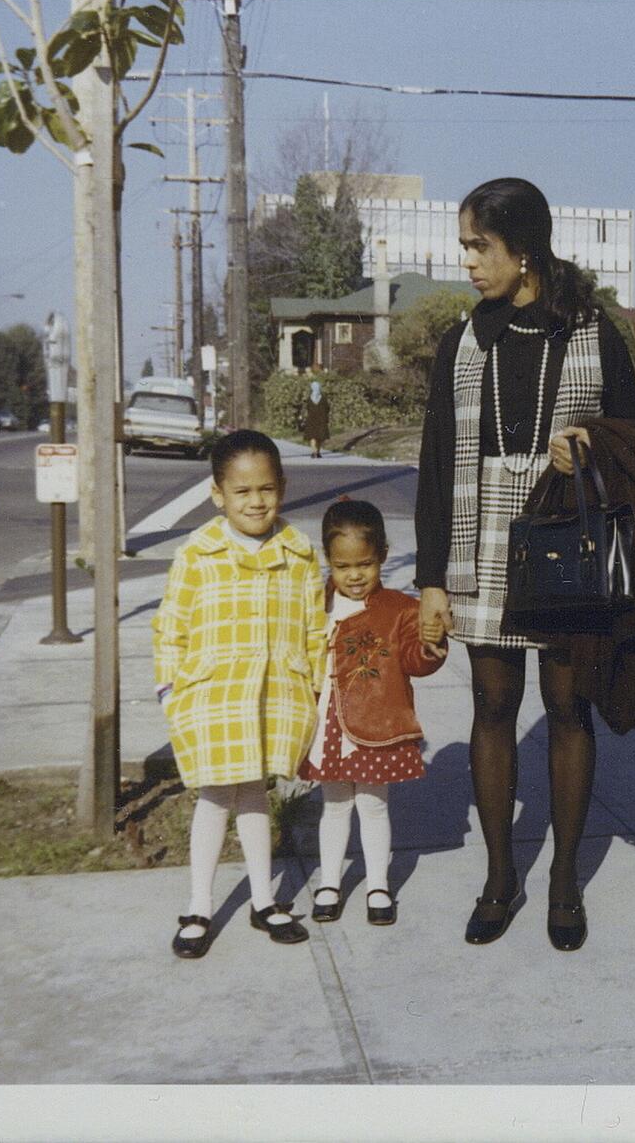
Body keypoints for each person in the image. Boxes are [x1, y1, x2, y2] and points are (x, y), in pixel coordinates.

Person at [415, 177, 635, 952]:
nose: (470, 264)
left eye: (480, 247)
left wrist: (586, 444)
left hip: (563, 537)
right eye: (466, 248)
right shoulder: (464, 339)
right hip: (479, 538)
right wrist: (429, 582)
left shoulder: (592, 332)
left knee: (568, 706)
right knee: (490, 706)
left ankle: (562, 882)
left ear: (525, 248)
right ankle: (499, 876)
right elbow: (436, 462)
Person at [153, 429, 327, 958]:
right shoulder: (198, 553)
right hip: (213, 695)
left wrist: (315, 686)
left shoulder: (299, 553)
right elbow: (171, 625)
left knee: (255, 794)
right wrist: (169, 688)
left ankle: (262, 899)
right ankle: (199, 906)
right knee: (213, 797)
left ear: (282, 487)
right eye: (243, 491)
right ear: (218, 494)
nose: (256, 501)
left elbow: (314, 627)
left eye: (267, 490)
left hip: (275, 692)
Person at [299, 499, 447, 925]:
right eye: (343, 567)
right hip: (327, 725)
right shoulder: (316, 603)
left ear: (382, 555)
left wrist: (431, 641)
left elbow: (417, 662)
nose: (355, 576)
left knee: (374, 805)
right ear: (329, 561)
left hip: (377, 725)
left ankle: (378, 884)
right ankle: (330, 882)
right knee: (335, 805)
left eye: (365, 564)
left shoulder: (400, 608)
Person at [301, 373, 330, 459]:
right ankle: (318, 452)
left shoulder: (309, 398)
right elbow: (328, 408)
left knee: (312, 436)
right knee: (320, 437)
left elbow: (307, 408)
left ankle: (314, 451)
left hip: (311, 419)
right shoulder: (323, 398)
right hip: (321, 420)